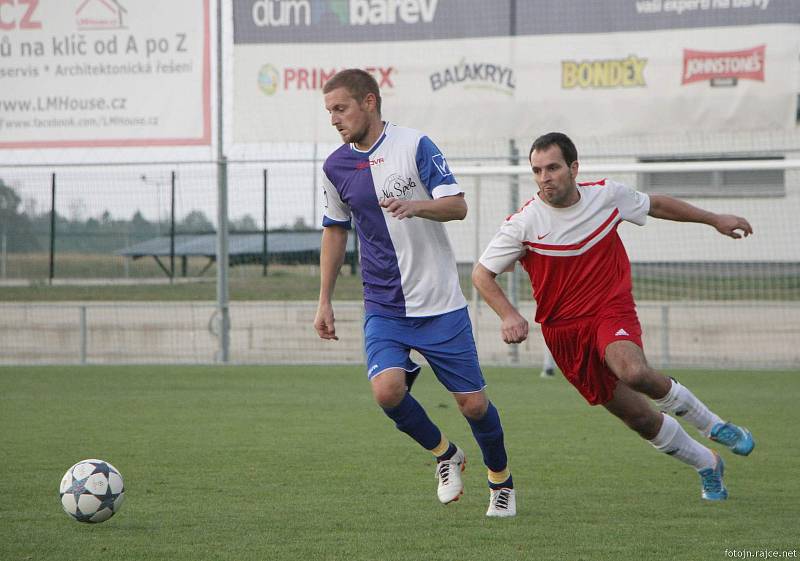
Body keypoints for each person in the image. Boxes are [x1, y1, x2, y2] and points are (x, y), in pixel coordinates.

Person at [472, 131, 755, 501]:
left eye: (553, 167)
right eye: (538, 170)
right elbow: (481, 274)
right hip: (564, 333)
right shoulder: (524, 223)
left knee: (633, 370)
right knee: (639, 419)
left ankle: (715, 426)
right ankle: (707, 463)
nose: (545, 177)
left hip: (609, 308)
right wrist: (508, 315)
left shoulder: (607, 196)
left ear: (574, 168)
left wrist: (713, 218)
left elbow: (657, 205)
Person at [314, 68, 516, 517]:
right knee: (387, 392)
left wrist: (417, 205)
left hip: (440, 303)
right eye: (329, 111)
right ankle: (446, 455)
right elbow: (334, 232)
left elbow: (458, 205)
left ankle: (500, 480)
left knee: (474, 404)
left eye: (341, 108)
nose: (334, 119)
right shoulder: (335, 166)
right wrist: (324, 299)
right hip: (384, 305)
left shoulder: (415, 145)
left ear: (369, 102)